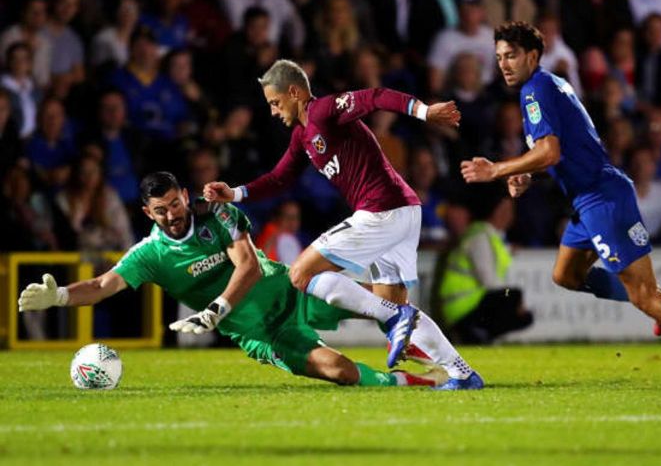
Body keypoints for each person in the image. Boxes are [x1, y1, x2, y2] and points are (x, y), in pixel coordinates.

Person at [461, 21, 661, 384]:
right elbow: (559, 151)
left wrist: (498, 170)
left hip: (601, 198)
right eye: (499, 57)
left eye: (511, 56)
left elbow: (549, 152)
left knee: (643, 295)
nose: (504, 64)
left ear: (532, 56)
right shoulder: (548, 85)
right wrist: (527, 174)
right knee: (566, 275)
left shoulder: (535, 90)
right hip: (587, 200)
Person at [17, 172, 443, 389]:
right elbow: (103, 285)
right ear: (148, 214)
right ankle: (405, 381)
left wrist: (217, 308)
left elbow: (250, 267)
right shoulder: (149, 255)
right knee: (342, 372)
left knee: (386, 302)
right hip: (263, 335)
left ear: (185, 194)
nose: (172, 214)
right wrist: (59, 297)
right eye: (160, 210)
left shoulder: (218, 213)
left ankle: (449, 361)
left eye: (175, 203)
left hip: (290, 290)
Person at [203, 59, 482, 389]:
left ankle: (398, 319)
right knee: (392, 305)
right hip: (403, 211)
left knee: (302, 274)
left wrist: (424, 112)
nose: (273, 111)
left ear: (294, 92)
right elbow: (279, 179)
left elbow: (376, 96)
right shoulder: (301, 136)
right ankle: (462, 373)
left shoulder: (324, 110)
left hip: (383, 210)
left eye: (275, 102)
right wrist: (234, 193)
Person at [437, 183, 533, 344]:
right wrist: (510, 298)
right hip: (461, 308)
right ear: (493, 210)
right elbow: (489, 281)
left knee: (515, 301)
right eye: (503, 210)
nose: (507, 215)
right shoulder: (479, 236)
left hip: (468, 304)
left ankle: (482, 334)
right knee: (512, 295)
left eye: (510, 210)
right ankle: (475, 332)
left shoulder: (490, 236)